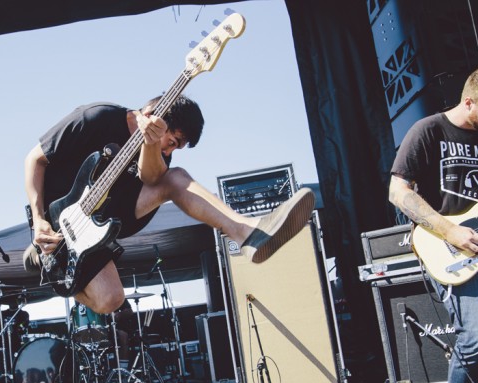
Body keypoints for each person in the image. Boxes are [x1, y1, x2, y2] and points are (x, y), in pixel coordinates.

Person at [24, 95, 315, 314]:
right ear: (150, 113)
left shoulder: (158, 145)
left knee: (175, 178)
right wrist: (39, 219)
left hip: (113, 213)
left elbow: (152, 177)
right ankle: (46, 264)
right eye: (172, 142)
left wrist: (151, 144)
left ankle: (248, 234)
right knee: (110, 299)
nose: (170, 150)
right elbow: (34, 159)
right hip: (61, 215)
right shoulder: (96, 117)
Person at [389, 64, 478, 383]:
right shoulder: (429, 131)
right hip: (453, 251)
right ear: (469, 102)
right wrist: (450, 231)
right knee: (476, 334)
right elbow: (399, 192)